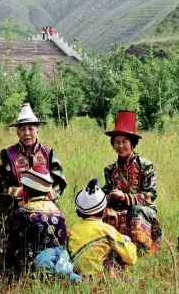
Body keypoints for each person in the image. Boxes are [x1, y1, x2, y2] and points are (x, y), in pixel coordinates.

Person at [0, 164, 68, 281]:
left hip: (27, 272)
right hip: (58, 269)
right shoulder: (59, 213)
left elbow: (9, 250)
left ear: (26, 191)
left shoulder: (23, 213)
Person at [0, 103, 66, 250]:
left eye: (31, 128)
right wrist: (20, 194)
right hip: (16, 205)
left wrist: (45, 196)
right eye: (22, 129)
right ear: (17, 133)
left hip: (45, 204)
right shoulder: (8, 154)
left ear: (37, 131)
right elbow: (0, 184)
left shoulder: (48, 153)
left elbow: (60, 183)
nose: (27, 133)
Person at [102, 110, 161, 254]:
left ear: (132, 143)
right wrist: (105, 195)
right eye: (116, 142)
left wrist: (126, 197)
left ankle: (146, 248)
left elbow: (150, 195)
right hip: (118, 209)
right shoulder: (110, 169)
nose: (120, 146)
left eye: (124, 141)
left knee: (135, 211)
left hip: (143, 209)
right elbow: (107, 191)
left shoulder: (145, 165)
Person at [68, 178, 137, 278]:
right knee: (125, 240)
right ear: (105, 212)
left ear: (79, 213)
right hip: (96, 277)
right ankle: (114, 276)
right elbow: (130, 259)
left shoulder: (73, 229)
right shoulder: (108, 230)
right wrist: (131, 245)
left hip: (74, 273)